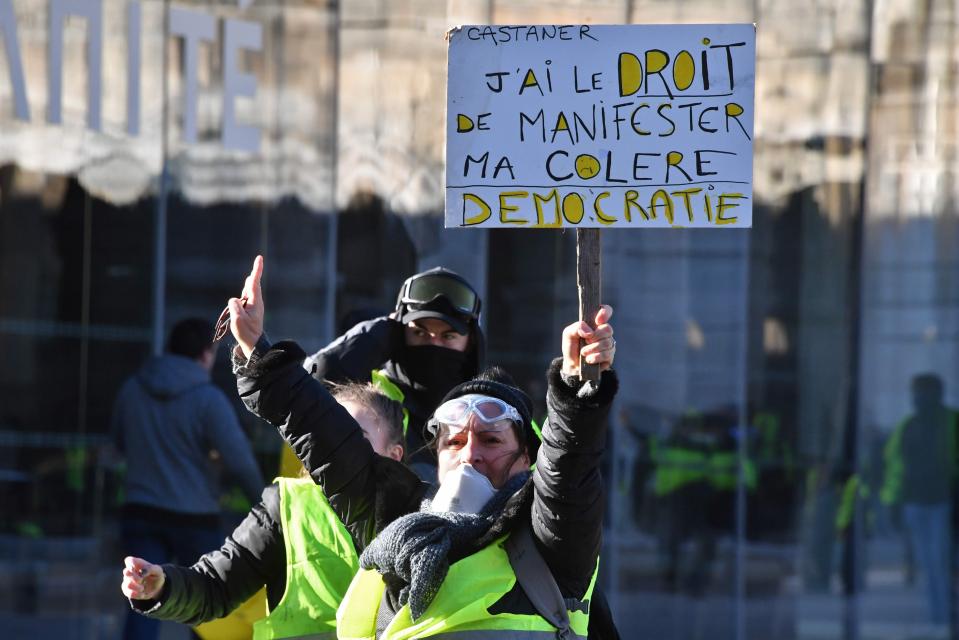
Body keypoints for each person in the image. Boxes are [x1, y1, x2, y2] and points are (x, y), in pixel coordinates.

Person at [226, 255, 618, 638]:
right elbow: (327, 436)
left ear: (526, 457)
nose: (470, 456)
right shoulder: (396, 515)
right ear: (435, 455)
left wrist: (574, 387)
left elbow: (568, 463)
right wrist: (257, 352)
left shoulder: (552, 537)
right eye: (455, 441)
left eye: (491, 439)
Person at [120, 382, 407, 639]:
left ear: (395, 455)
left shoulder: (422, 512)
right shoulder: (286, 507)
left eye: (355, 438)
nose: (337, 449)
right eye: (329, 437)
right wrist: (164, 588)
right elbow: (216, 586)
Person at [111, 317, 265, 640]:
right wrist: (267, 505)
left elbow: (119, 443)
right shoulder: (208, 399)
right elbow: (239, 461)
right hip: (195, 517)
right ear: (206, 355)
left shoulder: (132, 389)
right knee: (208, 606)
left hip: (141, 510)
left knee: (140, 598)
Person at [304, 265, 485, 479]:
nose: (433, 344)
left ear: (471, 343)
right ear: (398, 335)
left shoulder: (492, 409)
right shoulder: (369, 399)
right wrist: (380, 332)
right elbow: (310, 388)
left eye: (448, 336)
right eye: (420, 332)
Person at [880, 373, 959, 626]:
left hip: (942, 503)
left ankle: (946, 618)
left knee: (940, 563)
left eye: (924, 391)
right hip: (916, 502)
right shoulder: (907, 425)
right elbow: (895, 467)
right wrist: (893, 501)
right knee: (928, 564)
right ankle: (937, 619)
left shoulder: (951, 422)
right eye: (916, 392)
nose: (919, 397)